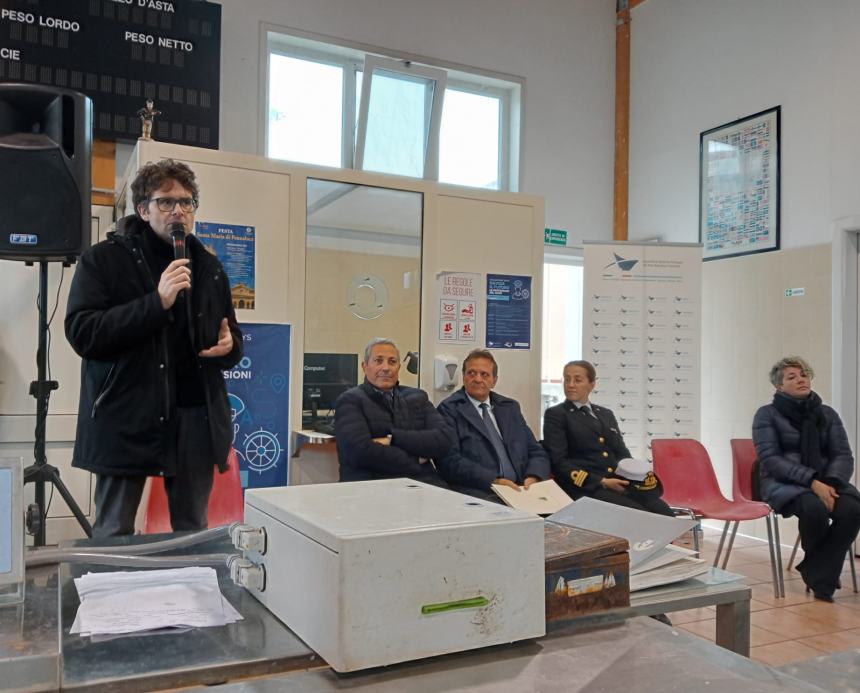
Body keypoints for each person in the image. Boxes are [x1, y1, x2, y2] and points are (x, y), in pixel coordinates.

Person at [65, 158, 242, 537]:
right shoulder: (104, 261)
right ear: (144, 210)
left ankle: (184, 596)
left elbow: (232, 336)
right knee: (115, 530)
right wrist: (156, 302)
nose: (178, 210)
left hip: (196, 418)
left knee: (191, 531)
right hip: (127, 416)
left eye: (187, 201)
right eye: (166, 202)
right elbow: (83, 332)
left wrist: (230, 346)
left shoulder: (210, 267)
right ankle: (113, 595)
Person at [753, 356, 860, 601]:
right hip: (783, 483)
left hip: (828, 482)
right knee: (814, 510)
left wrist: (830, 485)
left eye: (804, 375)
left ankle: (816, 568)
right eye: (792, 377)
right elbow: (771, 459)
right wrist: (812, 482)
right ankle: (823, 582)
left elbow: (842, 454)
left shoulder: (827, 414)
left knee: (853, 509)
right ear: (779, 386)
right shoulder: (766, 415)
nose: (801, 379)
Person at [543, 360, 673, 516]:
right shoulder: (557, 414)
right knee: (640, 516)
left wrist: (632, 478)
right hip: (586, 486)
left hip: (617, 482)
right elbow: (559, 461)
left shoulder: (605, 414)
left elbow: (621, 453)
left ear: (592, 384)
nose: (571, 384)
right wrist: (601, 482)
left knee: (666, 514)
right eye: (567, 379)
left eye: (577, 380)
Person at [334, 338, 451, 486]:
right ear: (365, 366)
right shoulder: (350, 400)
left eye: (392, 362)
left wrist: (392, 439)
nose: (386, 368)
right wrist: (416, 459)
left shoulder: (418, 397)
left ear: (399, 367)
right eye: (378, 361)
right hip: (371, 487)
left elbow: (443, 440)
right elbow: (360, 452)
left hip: (423, 485)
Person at [436, 349, 550, 500]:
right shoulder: (449, 409)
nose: (477, 379)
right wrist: (493, 481)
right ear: (463, 377)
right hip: (481, 491)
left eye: (484, 374)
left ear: (494, 381)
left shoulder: (509, 408)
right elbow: (449, 462)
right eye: (471, 373)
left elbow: (536, 451)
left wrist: (533, 476)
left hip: (521, 489)